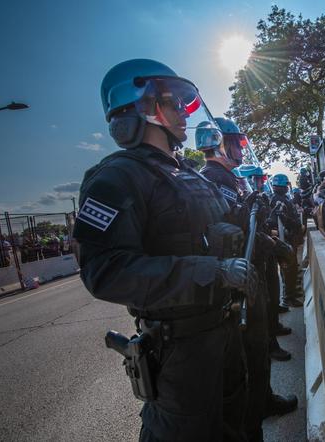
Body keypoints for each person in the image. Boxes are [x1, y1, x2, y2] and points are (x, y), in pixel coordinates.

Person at [73, 59, 257, 442]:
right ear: (142, 107)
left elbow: (211, 234)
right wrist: (208, 272)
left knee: (236, 426)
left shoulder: (186, 173)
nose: (183, 114)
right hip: (179, 348)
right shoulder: (116, 177)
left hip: (222, 330)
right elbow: (105, 271)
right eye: (174, 104)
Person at [203, 118, 297, 441]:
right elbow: (243, 230)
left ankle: (264, 399)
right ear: (219, 143)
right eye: (236, 143)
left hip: (252, 276)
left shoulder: (230, 180)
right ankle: (252, 424)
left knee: (259, 352)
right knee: (249, 360)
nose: (241, 149)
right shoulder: (212, 181)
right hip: (237, 284)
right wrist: (277, 246)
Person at [268, 174, 303, 308]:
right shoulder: (278, 201)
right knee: (288, 270)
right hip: (285, 239)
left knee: (290, 270)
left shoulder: (281, 199)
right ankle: (287, 298)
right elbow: (280, 222)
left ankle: (289, 296)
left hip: (288, 238)